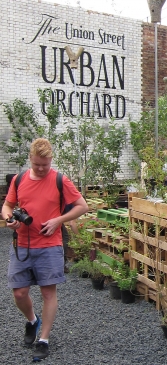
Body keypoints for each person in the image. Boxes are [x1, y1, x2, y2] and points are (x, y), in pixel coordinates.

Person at [1, 138, 88, 362]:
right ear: (30, 158)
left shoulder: (60, 180)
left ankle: (44, 339)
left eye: (45, 164)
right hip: (22, 244)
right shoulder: (19, 179)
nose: (41, 168)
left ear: (51, 160)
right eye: (37, 164)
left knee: (48, 293)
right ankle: (32, 321)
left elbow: (82, 206)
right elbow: (8, 205)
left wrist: (58, 220)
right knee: (19, 292)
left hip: (50, 246)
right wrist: (9, 219)